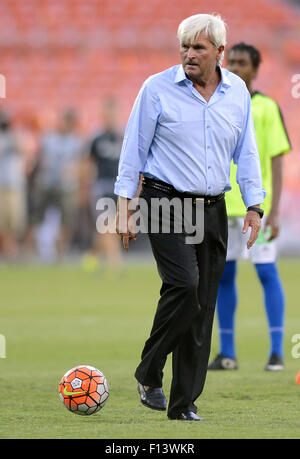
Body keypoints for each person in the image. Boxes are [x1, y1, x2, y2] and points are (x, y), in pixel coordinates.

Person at [114, 14, 265, 421]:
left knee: (202, 308)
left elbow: (247, 153)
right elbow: (134, 148)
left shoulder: (238, 94)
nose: (189, 54)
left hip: (214, 208)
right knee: (184, 285)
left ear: (220, 52)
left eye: (198, 48)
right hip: (164, 202)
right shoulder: (156, 88)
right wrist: (125, 206)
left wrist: (254, 205)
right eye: (184, 46)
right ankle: (149, 370)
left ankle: (182, 406)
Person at [208, 43, 291, 372]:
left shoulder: (268, 108)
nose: (237, 67)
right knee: (223, 277)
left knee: (267, 273)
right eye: (233, 62)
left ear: (255, 69)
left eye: (244, 63)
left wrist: (276, 211)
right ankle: (227, 353)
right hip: (222, 207)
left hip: (257, 208)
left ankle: (276, 352)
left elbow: (277, 161)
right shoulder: (216, 104)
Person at [34, 108, 84, 259]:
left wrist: (74, 172)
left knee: (67, 220)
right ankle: (36, 250)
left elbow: (82, 165)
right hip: (48, 183)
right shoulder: (48, 138)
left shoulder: (77, 141)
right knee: (39, 216)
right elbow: (40, 160)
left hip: (67, 186)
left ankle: (60, 251)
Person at [81, 99, 123, 272]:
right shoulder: (96, 138)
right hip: (101, 188)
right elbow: (88, 163)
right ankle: (116, 265)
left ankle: (93, 256)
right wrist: (84, 186)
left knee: (109, 229)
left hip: (119, 188)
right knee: (107, 225)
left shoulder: (124, 137)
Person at [0, 111, 27, 260]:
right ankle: (8, 251)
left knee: (16, 220)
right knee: (3, 221)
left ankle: (14, 250)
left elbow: (24, 149)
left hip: (14, 184)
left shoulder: (14, 137)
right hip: (2, 185)